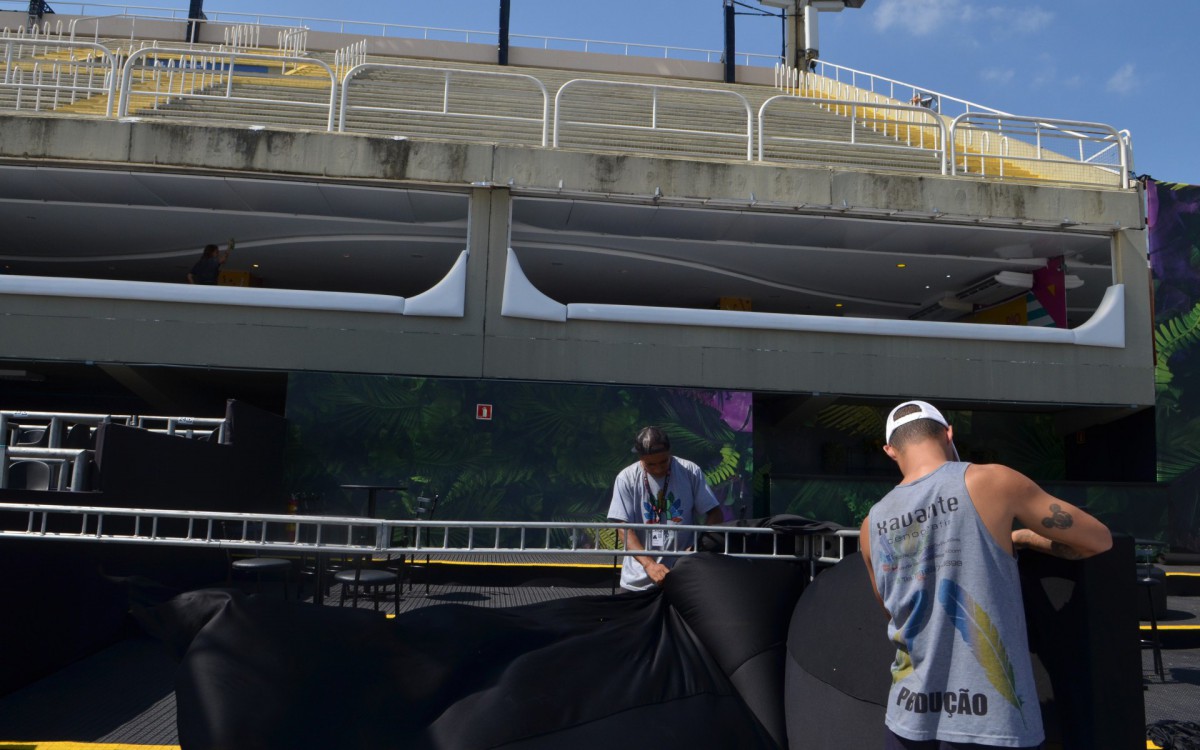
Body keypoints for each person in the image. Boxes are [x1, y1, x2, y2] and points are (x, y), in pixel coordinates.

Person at [859, 401, 1112, 750]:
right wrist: (1020, 537)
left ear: (890, 450)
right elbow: (1097, 539)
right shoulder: (991, 480)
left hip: (907, 717)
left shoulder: (871, 524)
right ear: (948, 433)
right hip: (992, 724)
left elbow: (891, 611)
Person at [607, 426, 724, 591]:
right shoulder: (626, 478)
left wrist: (698, 547)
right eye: (650, 464)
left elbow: (714, 513)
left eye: (664, 462)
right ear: (640, 458)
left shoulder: (690, 471)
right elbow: (623, 527)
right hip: (638, 582)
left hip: (684, 577)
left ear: (670, 452)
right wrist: (649, 565)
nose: (658, 468)